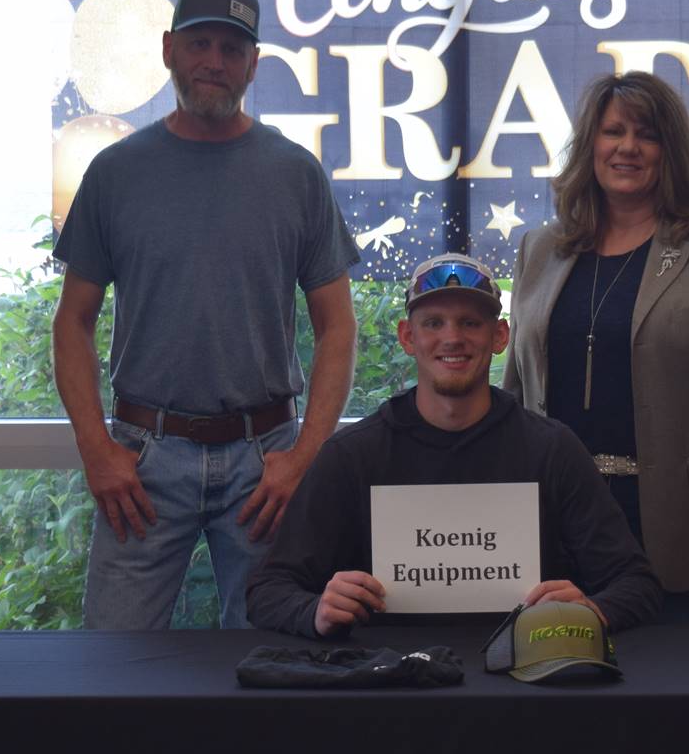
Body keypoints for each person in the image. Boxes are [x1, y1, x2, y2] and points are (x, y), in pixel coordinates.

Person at [52, 0, 359, 630]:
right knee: (115, 668)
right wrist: (96, 448)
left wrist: (302, 456)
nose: (214, 62)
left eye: (231, 48)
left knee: (271, 666)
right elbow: (72, 322)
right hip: (141, 465)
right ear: (169, 49)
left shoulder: (295, 174)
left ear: (252, 64)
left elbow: (337, 328)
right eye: (199, 44)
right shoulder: (117, 173)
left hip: (264, 468)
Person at [246, 253, 662, 639]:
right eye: (433, 323)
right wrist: (315, 610)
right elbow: (267, 591)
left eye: (470, 323)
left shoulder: (551, 450)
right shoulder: (352, 455)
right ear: (407, 337)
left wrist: (591, 610)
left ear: (500, 336)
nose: (452, 338)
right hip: (387, 683)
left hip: (526, 682)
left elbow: (636, 584)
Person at [503, 71, 689, 623]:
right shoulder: (541, 248)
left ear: (670, 149)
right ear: (590, 146)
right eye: (612, 132)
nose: (627, 147)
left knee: (674, 701)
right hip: (552, 522)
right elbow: (516, 390)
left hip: (674, 528)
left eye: (646, 134)